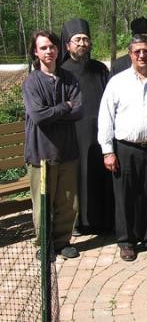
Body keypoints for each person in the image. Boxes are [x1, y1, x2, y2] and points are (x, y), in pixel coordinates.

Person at [98, 35, 147, 262]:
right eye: (137, 51)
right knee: (125, 197)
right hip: (125, 149)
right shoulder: (117, 83)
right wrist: (108, 150)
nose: (142, 55)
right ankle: (126, 241)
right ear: (130, 54)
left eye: (146, 51)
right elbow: (105, 118)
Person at [23, 30, 83, 259]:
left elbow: (80, 110)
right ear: (36, 52)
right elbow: (39, 116)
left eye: (52, 47)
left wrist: (57, 111)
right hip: (41, 153)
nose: (49, 51)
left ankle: (62, 241)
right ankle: (45, 244)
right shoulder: (32, 83)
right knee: (43, 202)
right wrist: (64, 106)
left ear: (58, 49)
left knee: (68, 202)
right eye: (43, 48)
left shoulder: (69, 78)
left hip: (67, 151)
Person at [60, 18, 114, 235]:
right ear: (67, 45)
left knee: (99, 176)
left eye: (85, 39)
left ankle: (102, 220)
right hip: (73, 134)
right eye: (77, 40)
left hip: (100, 134)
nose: (82, 43)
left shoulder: (100, 69)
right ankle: (77, 222)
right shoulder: (61, 71)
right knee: (77, 178)